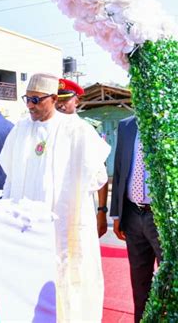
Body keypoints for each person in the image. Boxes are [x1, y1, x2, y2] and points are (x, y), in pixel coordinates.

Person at [0, 73, 110, 322]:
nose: (29, 105)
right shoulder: (20, 130)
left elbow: (98, 177)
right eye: (27, 98)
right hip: (25, 229)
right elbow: (10, 177)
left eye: (36, 99)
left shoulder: (77, 130)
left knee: (68, 286)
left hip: (64, 227)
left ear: (53, 98)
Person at [110, 116, 161, 323]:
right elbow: (120, 170)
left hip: (161, 218)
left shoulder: (170, 120)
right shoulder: (126, 125)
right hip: (132, 214)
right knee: (139, 284)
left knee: (170, 282)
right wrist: (116, 215)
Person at [56, 78, 109, 238]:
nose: (60, 105)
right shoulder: (47, 130)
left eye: (66, 100)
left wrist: (102, 211)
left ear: (77, 101)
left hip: (77, 208)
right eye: (57, 100)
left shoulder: (86, 130)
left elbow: (100, 174)